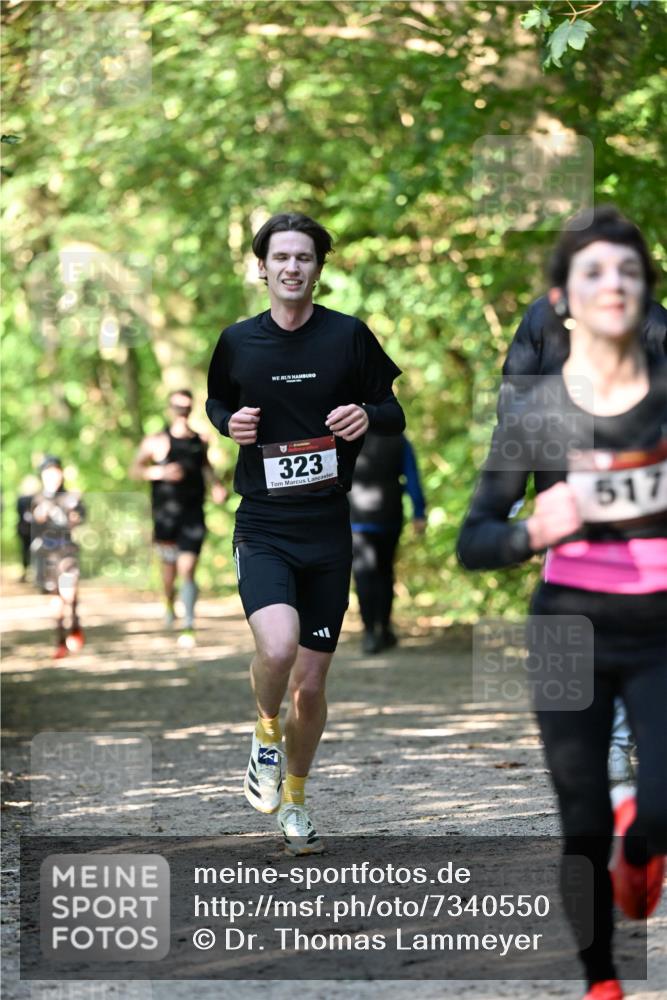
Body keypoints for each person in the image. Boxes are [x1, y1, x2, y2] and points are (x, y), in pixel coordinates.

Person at [458, 207, 666, 1000]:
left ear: (644, 292)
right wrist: (527, 533)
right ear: (560, 298)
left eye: (628, 271)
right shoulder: (535, 413)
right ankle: (600, 982)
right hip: (566, 628)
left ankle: (642, 849)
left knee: (660, 805)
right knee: (579, 816)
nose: (612, 284)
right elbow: (474, 539)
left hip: (660, 629)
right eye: (593, 272)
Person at [206, 211, 405, 855]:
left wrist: (365, 414)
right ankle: (265, 734)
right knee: (280, 644)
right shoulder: (237, 341)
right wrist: (227, 423)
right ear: (261, 267)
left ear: (319, 268)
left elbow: (393, 411)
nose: (292, 267)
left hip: (327, 526)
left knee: (313, 685)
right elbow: (217, 402)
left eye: (305, 258)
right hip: (264, 523)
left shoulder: (348, 337)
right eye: (281, 257)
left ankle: (295, 801)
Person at [504, 288, 667, 784]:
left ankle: (624, 736)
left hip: (643, 492)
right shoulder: (540, 317)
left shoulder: (654, 319)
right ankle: (605, 739)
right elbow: (514, 393)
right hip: (567, 491)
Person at [131, 389, 227, 647]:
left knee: (188, 568)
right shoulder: (157, 440)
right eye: (177, 406)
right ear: (170, 407)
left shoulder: (200, 439)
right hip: (165, 516)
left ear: (191, 409)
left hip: (193, 513)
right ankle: (169, 604)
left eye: (186, 407)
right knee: (169, 571)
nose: (182, 411)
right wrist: (160, 472)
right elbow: (135, 469)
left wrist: (216, 486)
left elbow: (206, 466)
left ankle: (189, 622)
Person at [349, 432, 426, 653]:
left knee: (363, 574)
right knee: (384, 571)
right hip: (388, 516)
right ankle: (383, 629)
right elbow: (412, 477)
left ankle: (369, 633)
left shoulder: (348, 437)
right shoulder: (399, 440)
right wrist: (419, 512)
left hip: (356, 518)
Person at [30, 456, 85, 660]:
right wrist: (39, 516)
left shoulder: (72, 496)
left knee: (69, 593)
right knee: (56, 601)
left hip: (67, 552)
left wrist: (73, 517)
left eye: (55, 471)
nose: (52, 475)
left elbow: (79, 518)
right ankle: (61, 639)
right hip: (46, 555)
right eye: (48, 472)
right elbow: (30, 522)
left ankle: (75, 624)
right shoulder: (36, 499)